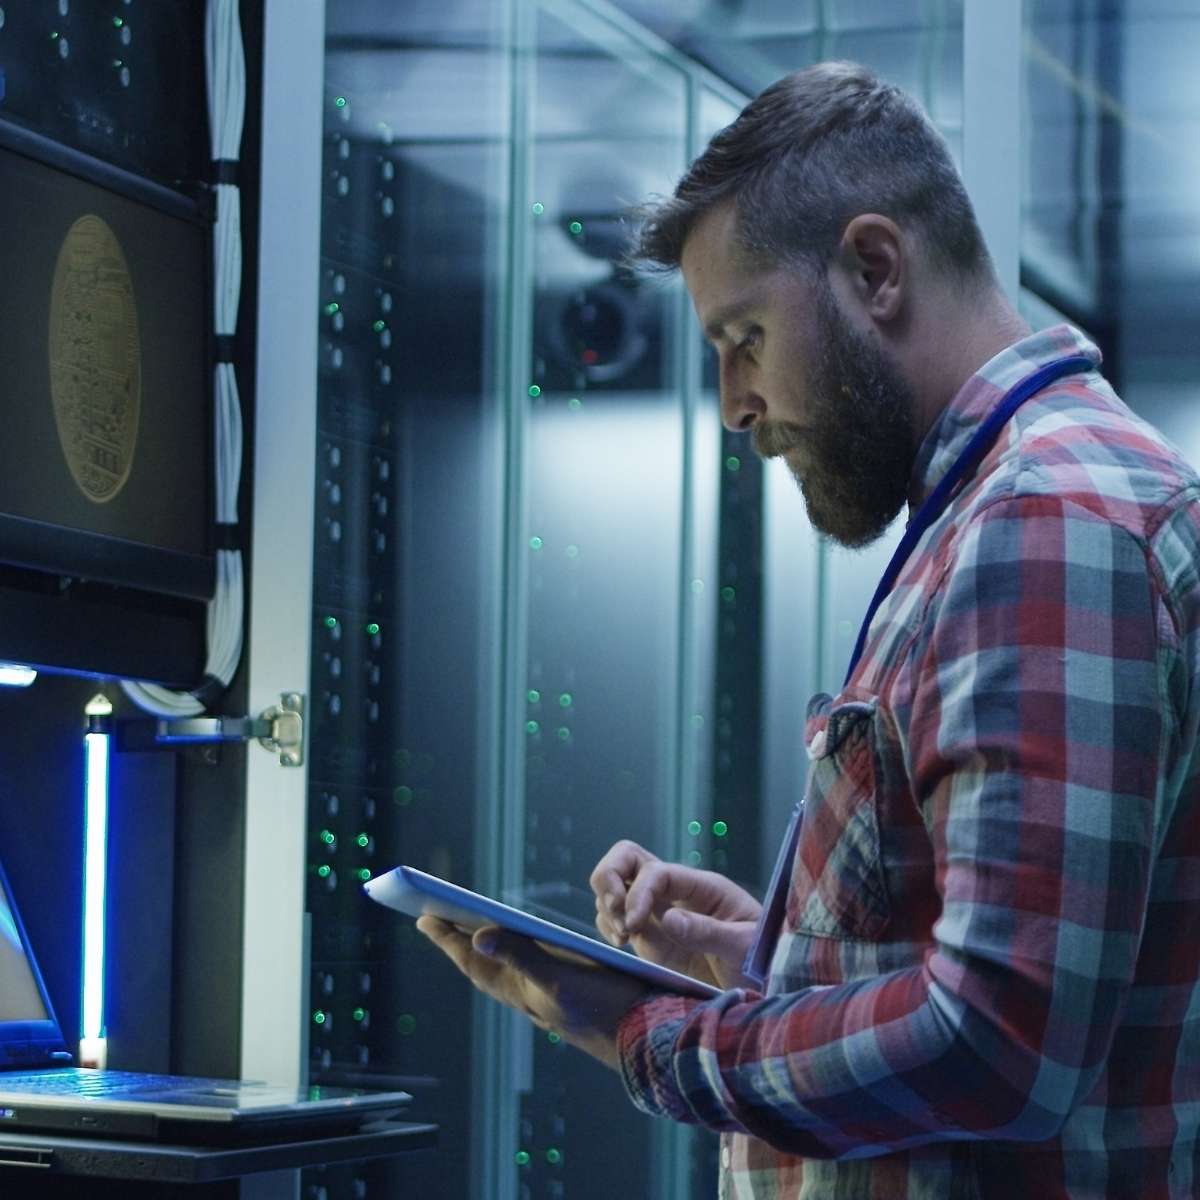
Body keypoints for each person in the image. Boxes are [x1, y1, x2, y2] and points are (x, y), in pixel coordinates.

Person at [418, 61, 1200, 1199]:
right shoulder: (1013, 502)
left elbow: (999, 1045)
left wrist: (653, 1038)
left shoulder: (1047, 519)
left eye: (744, 335)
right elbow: (1015, 973)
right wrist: (773, 961)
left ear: (875, 268)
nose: (734, 401)